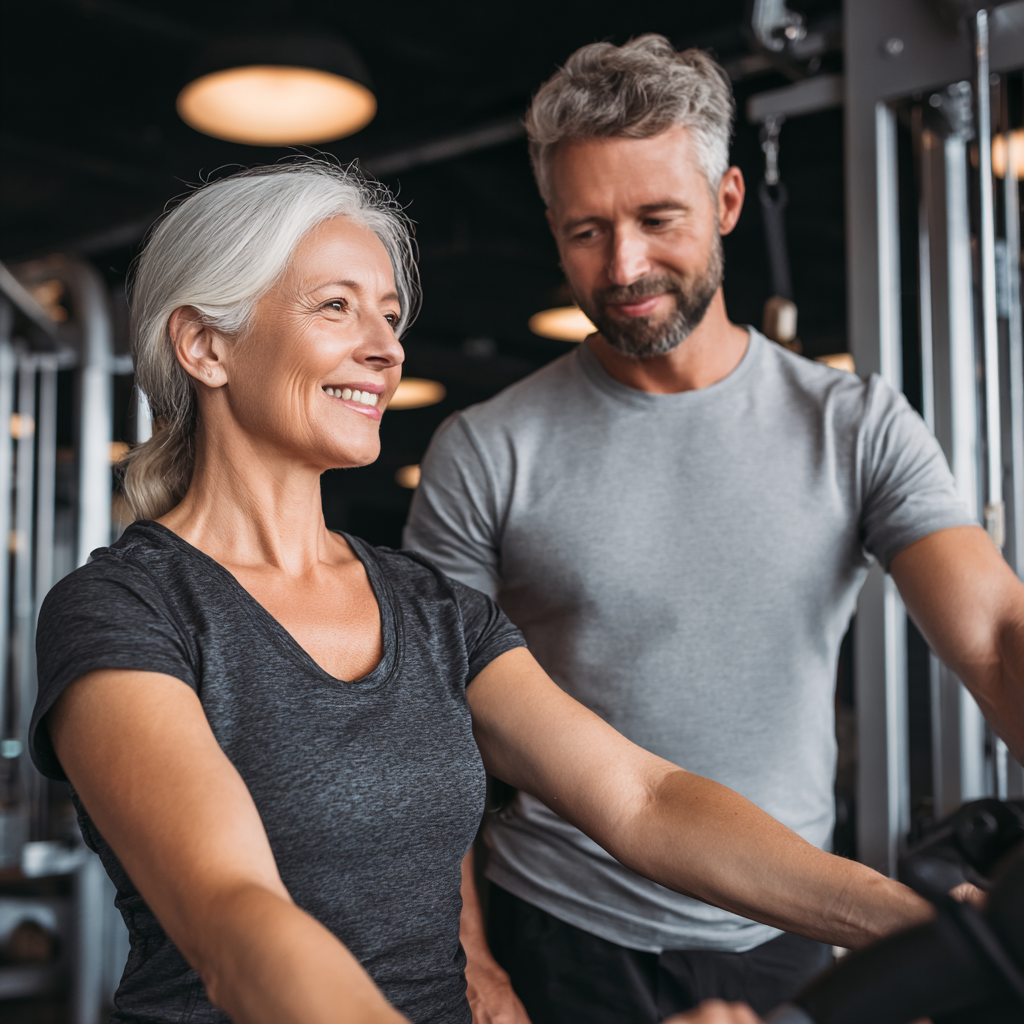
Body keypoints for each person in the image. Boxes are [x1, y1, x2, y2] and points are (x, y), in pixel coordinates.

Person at [29, 161, 937, 1024]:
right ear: (204, 345)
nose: (385, 349)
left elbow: (642, 798)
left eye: (389, 315)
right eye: (337, 308)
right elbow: (233, 920)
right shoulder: (123, 612)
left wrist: (914, 924)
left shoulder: (424, 607)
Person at [403, 36, 1024, 1024]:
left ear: (727, 201)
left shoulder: (852, 424)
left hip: (788, 926)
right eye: (585, 232)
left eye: (657, 219)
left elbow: (994, 633)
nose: (623, 266)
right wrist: (470, 955)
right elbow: (424, 737)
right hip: (562, 927)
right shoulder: (485, 450)